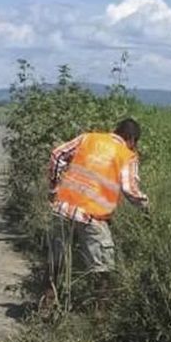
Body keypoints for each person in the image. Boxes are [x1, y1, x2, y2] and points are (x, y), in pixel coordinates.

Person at [46, 118, 149, 302]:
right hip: (92, 217)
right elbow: (130, 190)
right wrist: (146, 208)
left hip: (63, 207)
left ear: (115, 131)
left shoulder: (88, 138)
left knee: (57, 261)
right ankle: (99, 319)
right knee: (103, 271)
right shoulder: (127, 154)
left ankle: (47, 303)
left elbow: (57, 155)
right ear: (132, 140)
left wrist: (54, 189)